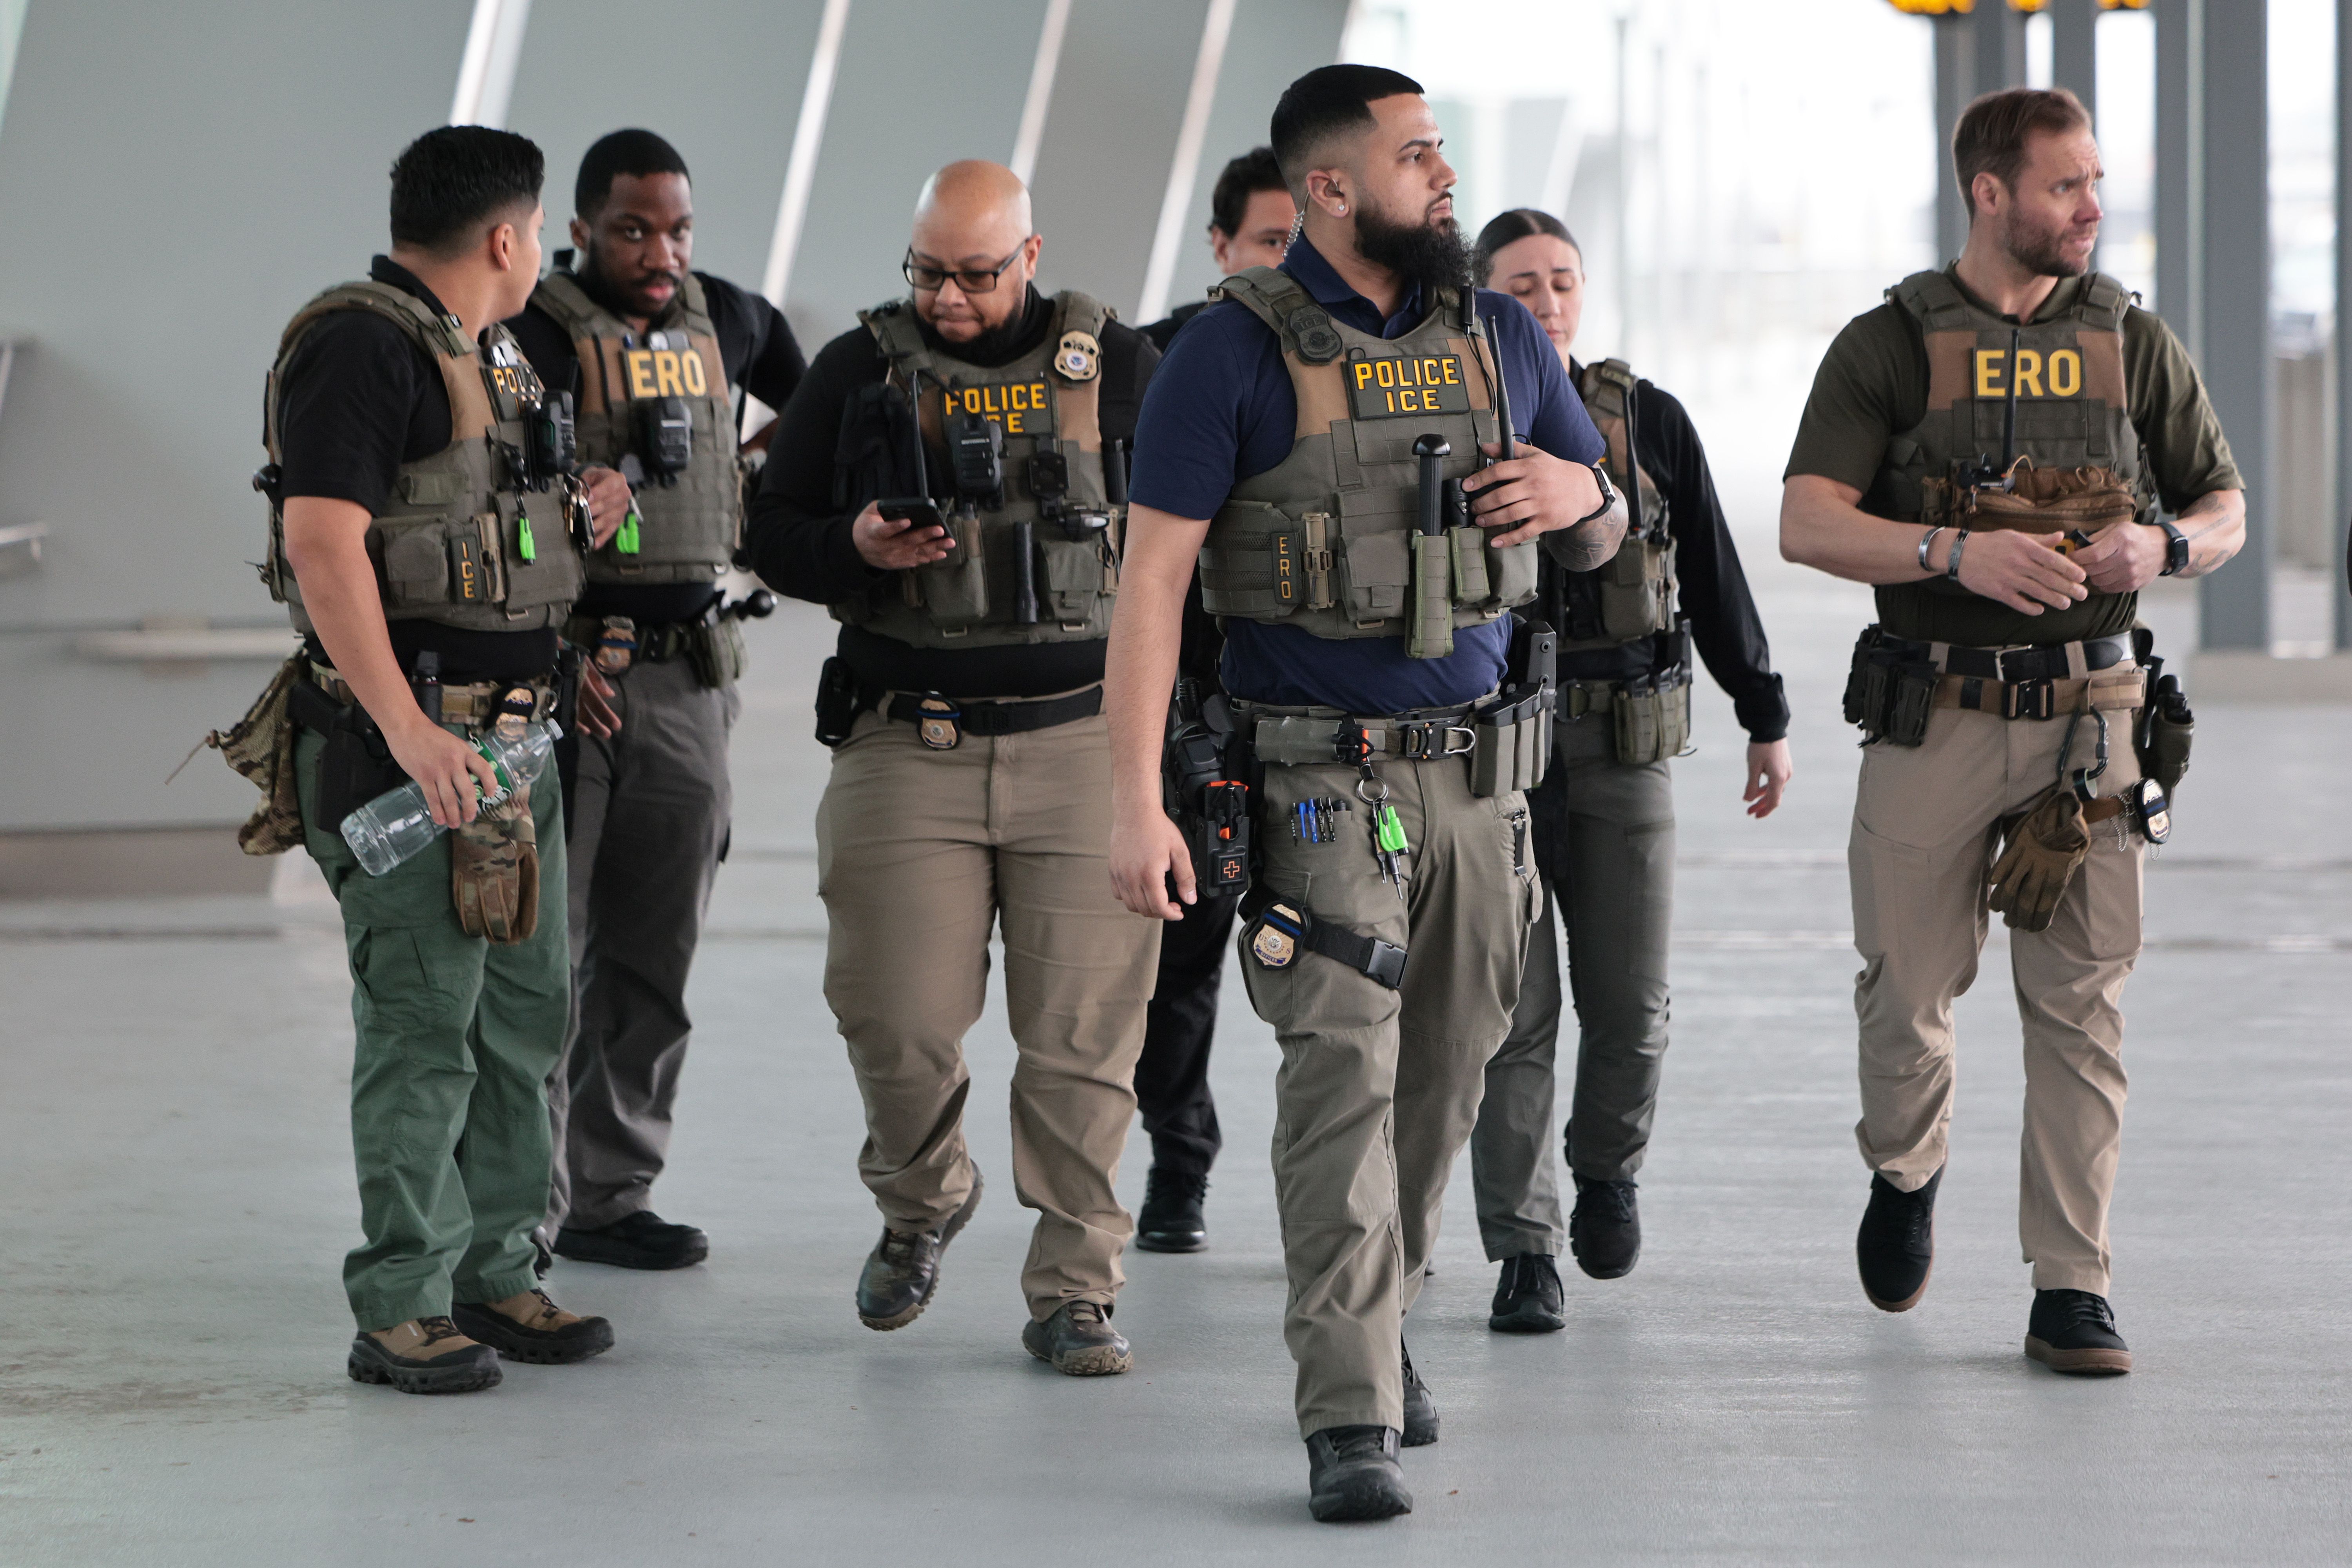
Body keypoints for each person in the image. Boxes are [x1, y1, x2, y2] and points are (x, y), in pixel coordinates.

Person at [1106, 66, 1626, 1522]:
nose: (1442, 177)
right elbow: (1150, 583)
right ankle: (1347, 1406)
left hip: (1479, 786)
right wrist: (1129, 803)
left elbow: (1605, 528)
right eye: (1415, 157)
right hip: (1318, 789)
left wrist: (1571, 496)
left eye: (1442, 152)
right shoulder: (1229, 356)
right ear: (1329, 191)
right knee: (1342, 1079)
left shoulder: (1503, 334)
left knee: (1445, 1077)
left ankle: (1382, 1308)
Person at [1780, 87, 2243, 1376]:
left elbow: (2224, 502)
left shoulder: (2131, 341)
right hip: (1936, 712)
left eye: (2096, 183)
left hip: (2095, 722)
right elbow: (1807, 521)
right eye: (2065, 188)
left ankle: (2071, 1283)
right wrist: (1951, 554)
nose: (2092, 208)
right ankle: (1906, 1168)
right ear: (1990, 195)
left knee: (2082, 1009)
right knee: (1906, 998)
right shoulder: (1889, 344)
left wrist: (2167, 543)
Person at [743, 160, 1161, 1377]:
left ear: (1029, 258)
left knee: (1083, 1036)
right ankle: (922, 1199)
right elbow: (771, 534)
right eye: (926, 270)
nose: (947, 297)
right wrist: (856, 546)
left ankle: (1075, 1285)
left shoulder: (1118, 366)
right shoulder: (858, 368)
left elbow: (1192, 532)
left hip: (1080, 744)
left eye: (975, 273)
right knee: (894, 1016)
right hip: (902, 739)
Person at [261, 126, 624, 1393]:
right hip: (409, 748)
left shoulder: (498, 357)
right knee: (426, 1031)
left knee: (526, 1020)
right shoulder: (365, 347)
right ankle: (403, 1304)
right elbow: (323, 545)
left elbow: (481, 539)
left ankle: (496, 1271)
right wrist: (414, 737)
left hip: (517, 748)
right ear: (508, 238)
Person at [1466, 210, 1793, 1332]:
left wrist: (1765, 710)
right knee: (1514, 1014)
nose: (1548, 302)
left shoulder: (1647, 418)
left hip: (1620, 745)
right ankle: (1523, 1247)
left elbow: (1710, 566)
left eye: (1563, 280)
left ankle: (1607, 1170)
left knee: (1632, 1005)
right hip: (1491, 755)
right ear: (1483, 299)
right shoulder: (1455, 414)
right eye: (1522, 284)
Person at [506, 129, 807, 1274]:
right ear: (581, 228)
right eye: (632, 228)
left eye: (676, 228)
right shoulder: (530, 328)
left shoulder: (730, 318)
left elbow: (825, 408)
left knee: (652, 953)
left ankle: (608, 1193)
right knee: (543, 953)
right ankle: (512, 1213)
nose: (658, 249)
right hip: (565, 670)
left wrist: (755, 468)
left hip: (690, 675)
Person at [1128, 145, 1298, 1256]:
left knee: (1324, 962)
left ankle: (1330, 1195)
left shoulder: (1366, 359)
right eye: (1270, 243)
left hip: (1318, 709)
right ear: (1222, 248)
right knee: (1178, 966)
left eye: (1304, 241)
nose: (1290, 263)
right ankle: (1179, 1165)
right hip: (1195, 710)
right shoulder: (1151, 362)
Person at [1140, 145, 1294, 350]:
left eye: (1310, 245)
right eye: (1274, 242)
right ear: (1222, 249)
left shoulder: (1344, 360)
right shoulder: (1148, 356)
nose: (1298, 261)